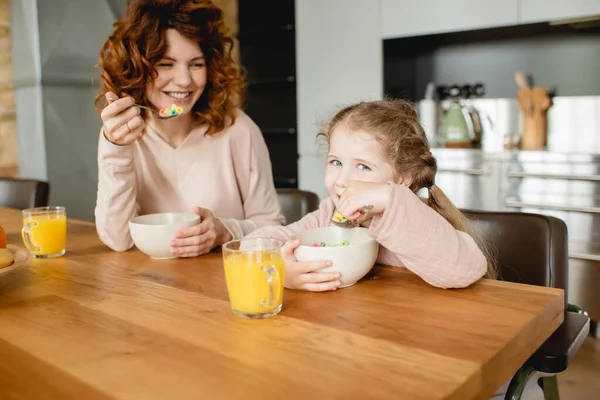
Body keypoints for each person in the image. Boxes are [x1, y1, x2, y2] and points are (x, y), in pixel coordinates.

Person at [93, 0, 284, 256]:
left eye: (196, 64)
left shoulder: (239, 130)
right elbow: (118, 239)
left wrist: (224, 231)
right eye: (165, 64)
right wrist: (115, 150)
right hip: (152, 287)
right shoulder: (124, 136)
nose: (184, 81)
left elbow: (274, 229)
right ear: (137, 68)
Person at [246, 99, 496, 291]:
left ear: (403, 178)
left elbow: (466, 269)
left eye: (363, 166)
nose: (342, 181)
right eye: (335, 162)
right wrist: (280, 269)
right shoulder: (328, 217)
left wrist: (389, 198)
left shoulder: (415, 217)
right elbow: (254, 244)